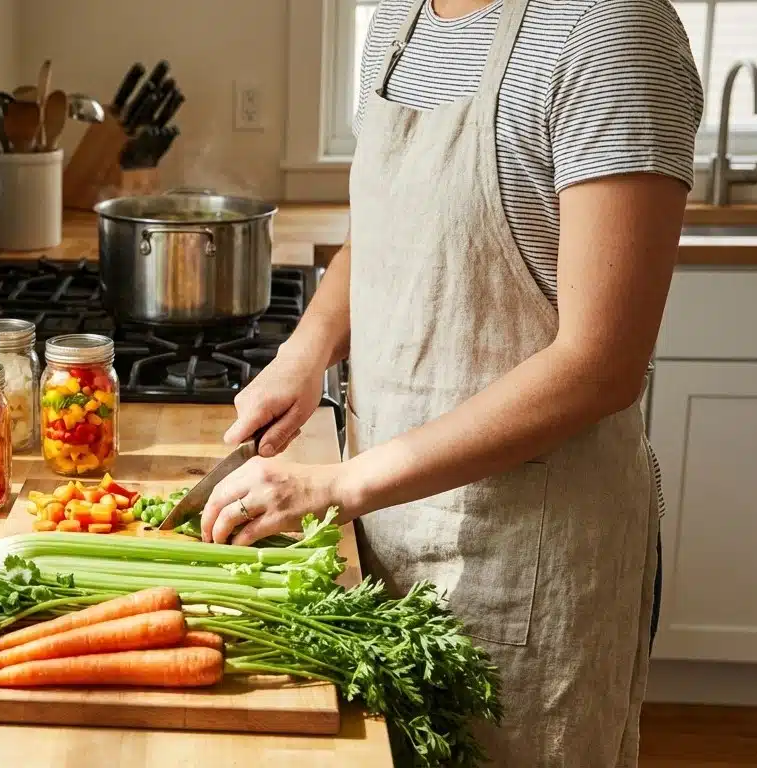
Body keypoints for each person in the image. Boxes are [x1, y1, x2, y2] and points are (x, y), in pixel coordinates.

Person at [199, 0, 703, 764]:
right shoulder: (400, 19)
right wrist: (302, 355)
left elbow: (599, 367)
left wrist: (335, 486)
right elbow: (378, 236)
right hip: (381, 531)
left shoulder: (610, 29)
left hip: (525, 561)